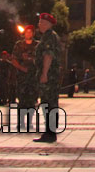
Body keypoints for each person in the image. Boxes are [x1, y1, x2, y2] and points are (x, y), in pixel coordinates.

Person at [34, 12, 61, 143]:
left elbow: (48, 56)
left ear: (48, 24)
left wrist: (44, 73)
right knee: (49, 104)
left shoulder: (49, 36)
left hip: (49, 76)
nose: (39, 24)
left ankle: (50, 133)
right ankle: (49, 132)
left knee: (48, 103)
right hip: (50, 75)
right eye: (39, 22)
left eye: (42, 22)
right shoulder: (48, 36)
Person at [12, 23, 39, 128]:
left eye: (30, 32)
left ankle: (30, 122)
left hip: (33, 77)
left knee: (32, 100)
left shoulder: (37, 45)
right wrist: (21, 68)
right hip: (22, 77)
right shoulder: (19, 45)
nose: (28, 34)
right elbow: (14, 59)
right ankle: (21, 122)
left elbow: (41, 59)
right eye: (27, 32)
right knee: (22, 100)